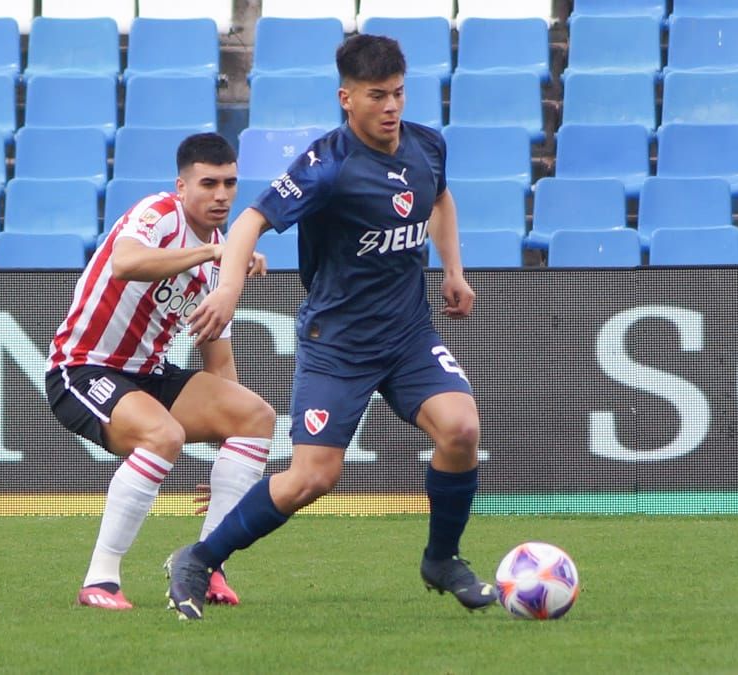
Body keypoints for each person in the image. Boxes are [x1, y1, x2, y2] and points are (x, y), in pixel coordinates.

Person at [164, 35, 497, 620]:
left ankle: (442, 560)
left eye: (398, 93)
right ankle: (198, 558)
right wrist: (229, 289)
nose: (391, 107)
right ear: (347, 98)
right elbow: (249, 222)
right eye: (377, 96)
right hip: (337, 345)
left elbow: (439, 200)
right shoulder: (327, 165)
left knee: (461, 429)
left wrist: (454, 271)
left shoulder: (427, 145)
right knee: (312, 478)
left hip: (409, 335)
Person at [45, 132, 276, 610]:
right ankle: (100, 579)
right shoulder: (158, 214)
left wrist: (226, 454)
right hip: (83, 368)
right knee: (163, 436)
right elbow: (126, 262)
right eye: (209, 183)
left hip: (147, 372)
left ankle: (207, 564)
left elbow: (218, 359)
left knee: (255, 417)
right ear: (181, 186)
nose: (221, 195)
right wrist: (212, 254)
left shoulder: (220, 258)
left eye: (230, 183)